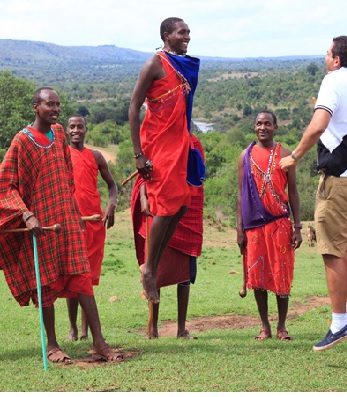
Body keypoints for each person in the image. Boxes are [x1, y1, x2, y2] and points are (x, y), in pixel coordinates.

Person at [0, 87, 123, 364]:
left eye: (57, 104)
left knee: (82, 280)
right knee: (47, 283)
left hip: (67, 221)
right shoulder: (21, 141)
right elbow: (6, 184)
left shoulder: (58, 135)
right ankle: (53, 346)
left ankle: (100, 344)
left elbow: (68, 177)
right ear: (35, 107)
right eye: (49, 104)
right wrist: (25, 214)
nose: (55, 109)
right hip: (41, 225)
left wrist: (75, 214)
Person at [279, 35, 347, 351]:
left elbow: (317, 126)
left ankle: (338, 323)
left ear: (337, 59)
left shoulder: (332, 82)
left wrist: (294, 156)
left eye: (327, 54)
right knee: (344, 246)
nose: (325, 59)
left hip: (340, 181)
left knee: (331, 250)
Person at [128, 17, 200, 303]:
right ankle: (149, 270)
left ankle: (151, 265)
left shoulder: (185, 64)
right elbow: (134, 107)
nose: (188, 37)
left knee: (182, 203)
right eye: (182, 33)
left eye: (188, 33)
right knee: (167, 206)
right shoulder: (154, 64)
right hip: (157, 144)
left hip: (179, 141)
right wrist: (138, 154)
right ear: (166, 35)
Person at [237, 111, 302, 341]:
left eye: (267, 123)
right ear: (254, 127)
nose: (262, 127)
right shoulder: (245, 156)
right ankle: (264, 325)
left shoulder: (286, 155)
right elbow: (240, 195)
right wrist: (239, 229)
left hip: (280, 223)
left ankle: (282, 326)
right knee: (258, 276)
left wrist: (298, 226)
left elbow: (293, 192)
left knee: (281, 274)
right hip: (254, 226)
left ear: (276, 127)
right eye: (258, 123)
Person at [131, 133, 204, 339]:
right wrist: (144, 198)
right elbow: (145, 173)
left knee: (184, 275)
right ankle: (153, 328)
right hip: (160, 209)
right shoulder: (157, 138)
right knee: (156, 270)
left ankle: (181, 328)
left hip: (185, 209)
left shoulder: (194, 143)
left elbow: (197, 177)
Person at [65, 115, 118, 342]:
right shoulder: (61, 155)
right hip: (70, 225)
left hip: (94, 223)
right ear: (67, 131)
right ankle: (73, 329)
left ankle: (86, 331)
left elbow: (112, 185)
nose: (76, 130)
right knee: (72, 276)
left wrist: (111, 205)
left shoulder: (95, 156)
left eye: (80, 126)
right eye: (72, 126)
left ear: (86, 130)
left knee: (86, 277)